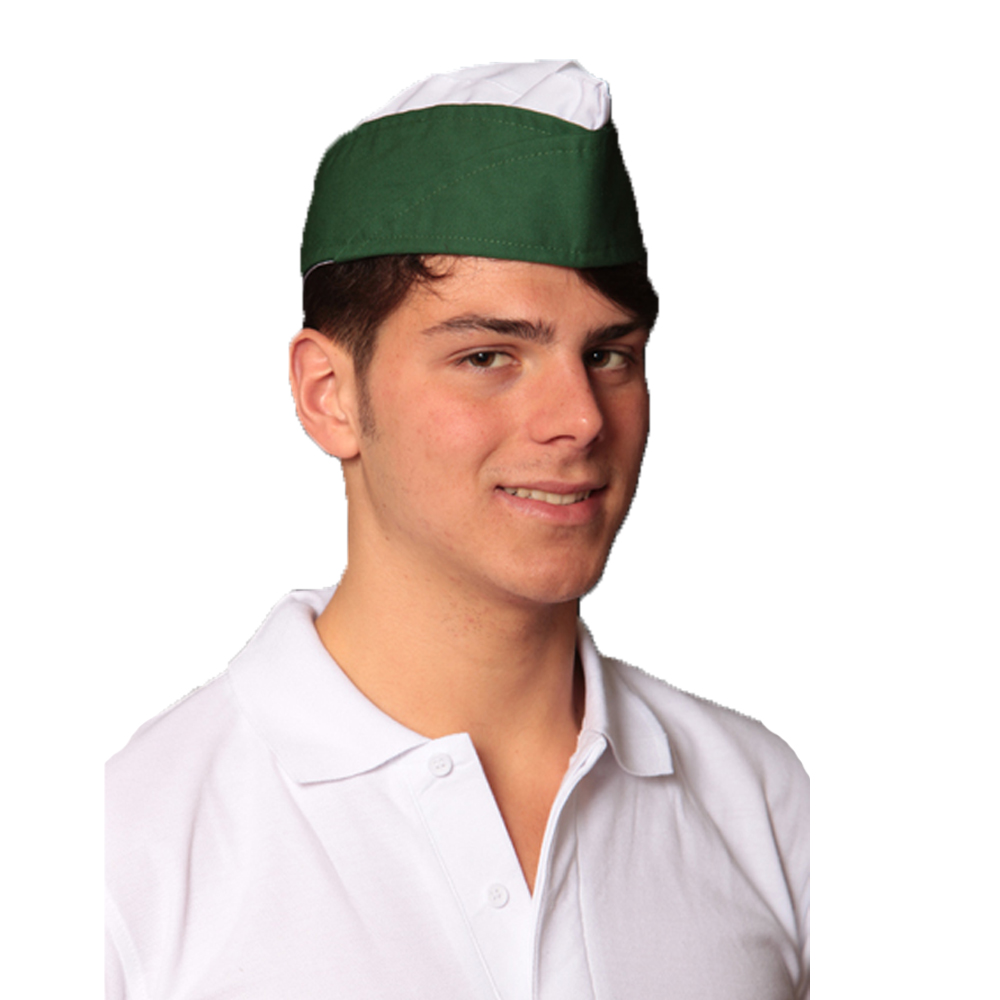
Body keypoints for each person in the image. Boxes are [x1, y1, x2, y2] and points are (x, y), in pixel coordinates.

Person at [105, 60, 809, 999]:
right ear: (329, 395)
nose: (581, 419)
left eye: (609, 355)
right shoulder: (131, 849)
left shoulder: (764, 802)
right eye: (488, 357)